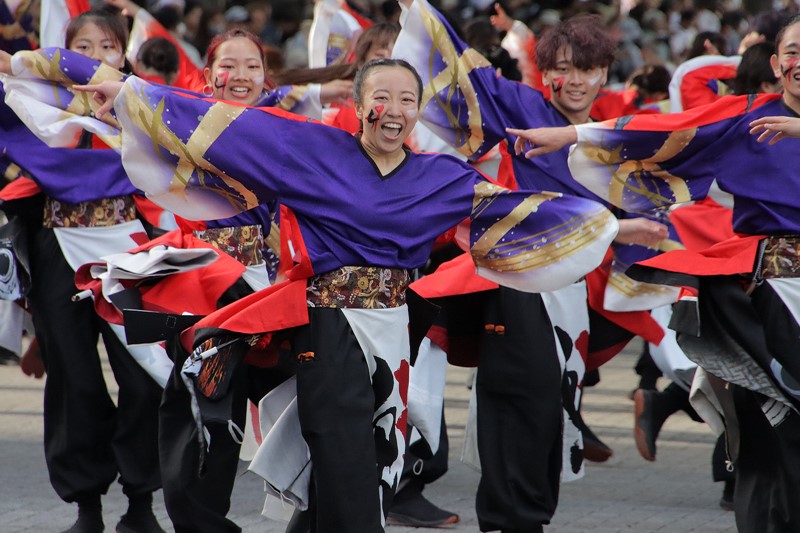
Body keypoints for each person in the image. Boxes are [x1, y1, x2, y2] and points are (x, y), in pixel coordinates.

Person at [52, 56, 619, 532]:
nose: (393, 110)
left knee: (373, 463)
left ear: (417, 110)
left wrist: (606, 225)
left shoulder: (441, 177)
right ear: (359, 103)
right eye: (381, 98)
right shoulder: (312, 149)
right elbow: (224, 125)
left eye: (406, 100)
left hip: (393, 333)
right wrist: (133, 94)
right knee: (348, 463)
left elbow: (516, 211)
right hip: (329, 329)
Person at [511, 14, 800, 532]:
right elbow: (663, 130)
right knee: (771, 433)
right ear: (776, 64)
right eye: (794, 51)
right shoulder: (749, 116)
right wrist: (572, 133)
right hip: (774, 291)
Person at [394, 2, 668, 530]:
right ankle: (509, 518)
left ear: (605, 73)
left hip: (573, 294)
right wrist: (420, 11)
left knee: (553, 405)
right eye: (562, 68)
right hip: (517, 281)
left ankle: (528, 517)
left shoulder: (616, 136)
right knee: (520, 394)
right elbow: (460, 68)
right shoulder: (522, 107)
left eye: (587, 69)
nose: (575, 81)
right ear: (544, 73)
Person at [0, 8, 166, 533]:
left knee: (144, 375)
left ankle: (140, 502)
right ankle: (86, 505)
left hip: (129, 252)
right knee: (73, 379)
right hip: (59, 249)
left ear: (124, 54)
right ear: (63, 53)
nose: (95, 58)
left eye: (107, 47)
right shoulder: (37, 102)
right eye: (83, 47)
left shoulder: (144, 102)